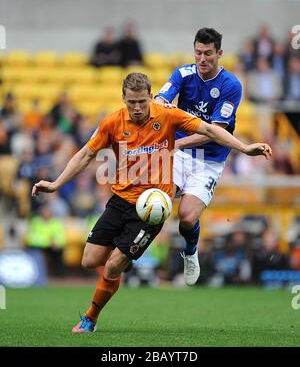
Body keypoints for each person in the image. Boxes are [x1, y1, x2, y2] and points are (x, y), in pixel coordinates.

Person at [32, 73, 272, 333]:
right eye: (132, 102)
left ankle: (90, 318)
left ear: (151, 97)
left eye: (142, 102)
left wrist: (245, 148)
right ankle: (126, 255)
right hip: (121, 200)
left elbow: (209, 129)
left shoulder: (167, 114)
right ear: (123, 99)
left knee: (113, 265)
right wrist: (56, 184)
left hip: (152, 208)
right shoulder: (112, 122)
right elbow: (85, 154)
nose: (137, 108)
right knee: (90, 260)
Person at [155, 28, 245, 285]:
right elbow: (162, 98)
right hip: (179, 154)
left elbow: (215, 132)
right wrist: (162, 103)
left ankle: (191, 251)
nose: (202, 59)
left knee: (186, 216)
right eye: (198, 53)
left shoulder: (230, 85)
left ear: (219, 53)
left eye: (208, 53)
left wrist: (177, 143)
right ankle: (133, 249)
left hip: (208, 161)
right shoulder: (183, 74)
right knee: (158, 203)